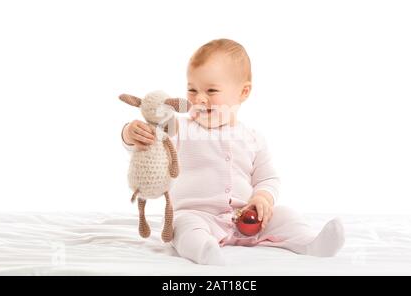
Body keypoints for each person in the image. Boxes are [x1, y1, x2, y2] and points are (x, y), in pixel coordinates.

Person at [121, 38, 345, 265]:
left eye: (211, 90)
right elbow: (152, 142)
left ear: (243, 91)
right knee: (182, 225)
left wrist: (262, 197)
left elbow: (267, 177)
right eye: (192, 89)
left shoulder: (253, 138)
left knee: (285, 214)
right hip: (198, 216)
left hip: (248, 220)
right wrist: (131, 134)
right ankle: (204, 251)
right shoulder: (181, 128)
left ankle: (311, 243)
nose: (199, 98)